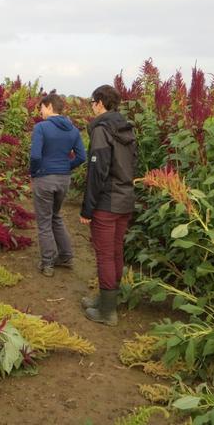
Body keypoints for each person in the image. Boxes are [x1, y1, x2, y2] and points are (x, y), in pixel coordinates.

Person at [79, 85, 137, 326]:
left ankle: (107, 312)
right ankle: (106, 301)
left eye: (93, 102)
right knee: (115, 252)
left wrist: (87, 208)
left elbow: (97, 171)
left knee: (105, 255)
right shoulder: (126, 129)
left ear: (100, 102)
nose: (92, 107)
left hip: (107, 201)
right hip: (125, 199)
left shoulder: (102, 130)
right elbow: (133, 164)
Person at [30, 93, 86, 277]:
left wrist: (35, 172)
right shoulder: (73, 129)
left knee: (44, 221)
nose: (41, 112)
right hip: (64, 180)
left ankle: (47, 263)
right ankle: (66, 256)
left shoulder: (41, 128)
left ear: (49, 106)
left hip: (44, 178)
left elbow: (36, 156)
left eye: (41, 108)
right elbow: (81, 157)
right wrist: (64, 167)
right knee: (56, 216)